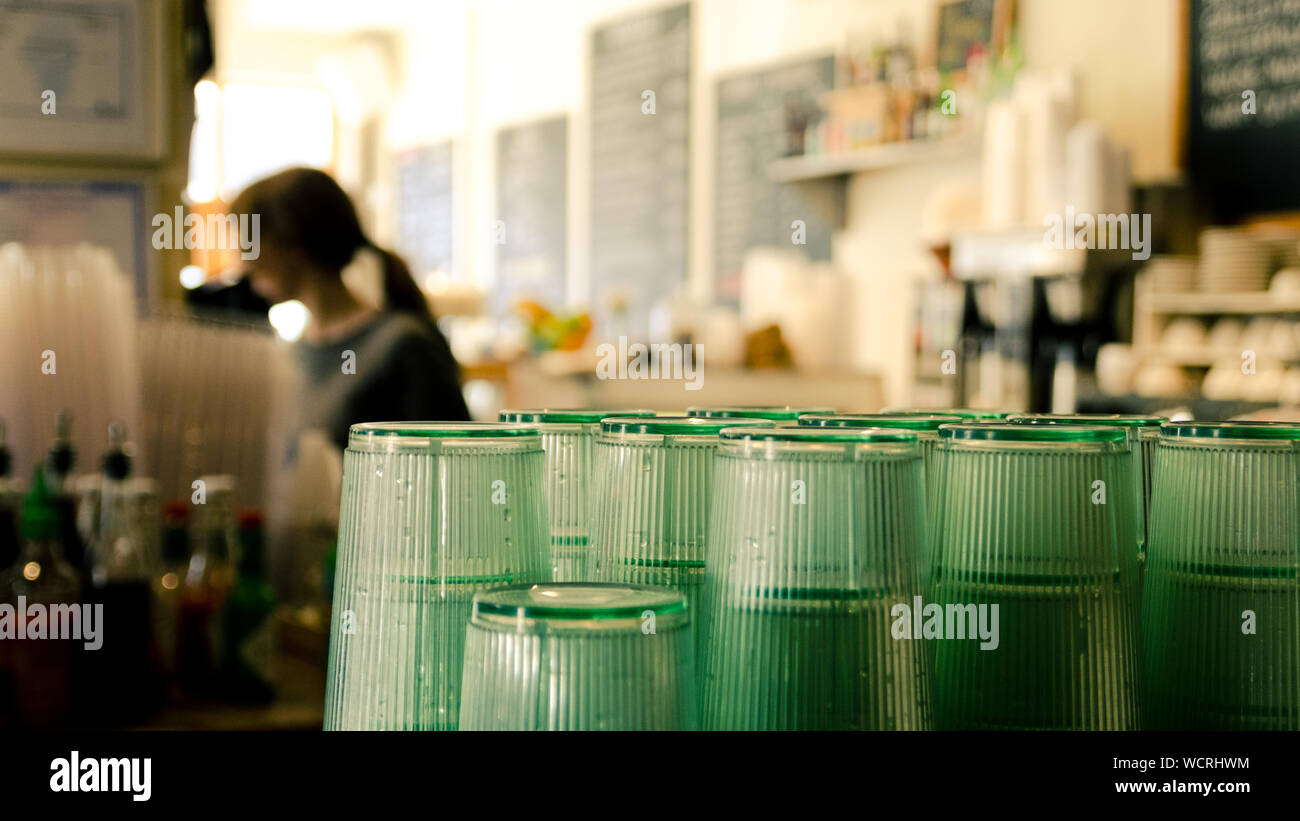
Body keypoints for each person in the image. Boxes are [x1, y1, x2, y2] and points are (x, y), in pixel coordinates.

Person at [231, 167, 471, 452]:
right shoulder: (290, 354)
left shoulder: (404, 344)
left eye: (251, 243)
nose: (243, 264)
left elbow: (457, 463)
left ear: (292, 245)